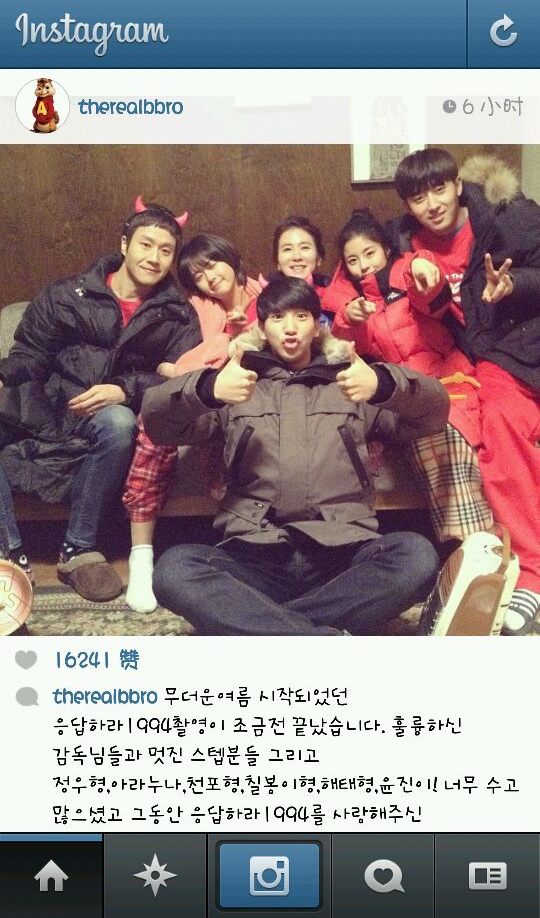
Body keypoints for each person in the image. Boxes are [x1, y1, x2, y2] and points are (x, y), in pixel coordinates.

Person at [142, 276, 449, 636]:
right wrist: (208, 388)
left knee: (417, 556)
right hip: (255, 553)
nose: (290, 328)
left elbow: (434, 413)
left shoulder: (351, 382)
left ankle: (263, 626)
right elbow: (157, 423)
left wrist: (382, 383)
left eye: (301, 316)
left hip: (341, 553)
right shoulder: (236, 384)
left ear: (317, 326)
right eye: (278, 318)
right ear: (261, 328)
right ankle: (315, 635)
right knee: (173, 570)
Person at [0, 197, 201, 603]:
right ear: (124, 244)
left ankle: (78, 550)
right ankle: (10, 556)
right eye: (146, 245)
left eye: (166, 250)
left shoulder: (178, 314)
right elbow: (31, 354)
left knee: (118, 422)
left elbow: (183, 380)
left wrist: (125, 390)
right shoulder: (67, 294)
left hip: (111, 417)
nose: (154, 257)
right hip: (51, 404)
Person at [388, 148, 540, 635]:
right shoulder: (407, 243)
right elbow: (432, 313)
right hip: (485, 357)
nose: (432, 204)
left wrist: (514, 284)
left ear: (457, 185)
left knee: (503, 421)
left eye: (439, 189)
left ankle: (530, 570)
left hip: (525, 339)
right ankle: (524, 573)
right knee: (491, 424)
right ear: (407, 205)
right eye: (418, 197)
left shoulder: (508, 216)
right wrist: (423, 286)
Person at [320, 208, 492, 544]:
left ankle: (471, 544)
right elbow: (349, 351)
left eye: (369, 253)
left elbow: (432, 299)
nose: (363, 265)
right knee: (427, 434)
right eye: (353, 260)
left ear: (386, 249)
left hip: (447, 381)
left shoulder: (407, 273)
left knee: (447, 433)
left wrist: (424, 271)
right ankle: (471, 547)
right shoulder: (350, 301)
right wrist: (349, 319)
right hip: (401, 394)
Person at [123, 233, 262, 613]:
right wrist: (178, 366)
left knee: (239, 439)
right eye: (198, 276)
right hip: (203, 395)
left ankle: (246, 551)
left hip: (253, 398)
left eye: (212, 265)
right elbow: (166, 359)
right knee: (153, 426)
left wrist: (240, 336)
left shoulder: (270, 296)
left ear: (230, 258)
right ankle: (141, 556)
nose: (209, 278)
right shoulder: (197, 308)